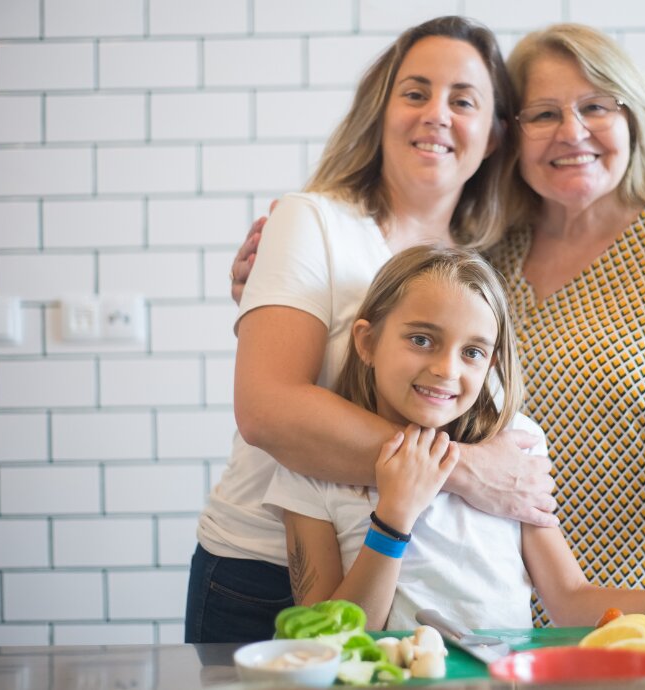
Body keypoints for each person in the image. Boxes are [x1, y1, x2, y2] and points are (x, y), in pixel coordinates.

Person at [230, 22, 645, 635]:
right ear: (513, 138)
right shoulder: (490, 253)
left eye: (598, 105)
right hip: (506, 621)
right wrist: (272, 284)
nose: (571, 130)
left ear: (632, 118)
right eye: (543, 114)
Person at [185, 16, 556, 644]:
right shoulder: (312, 222)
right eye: (414, 93)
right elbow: (267, 411)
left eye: (462, 101)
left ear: (494, 137)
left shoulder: (481, 267)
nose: (436, 113)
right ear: (380, 111)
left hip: (407, 591)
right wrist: (464, 470)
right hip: (264, 571)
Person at [264, 246, 645, 630]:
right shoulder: (310, 467)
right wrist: (393, 520)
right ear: (367, 342)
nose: (446, 369)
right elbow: (325, 638)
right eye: (421, 340)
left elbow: (571, 601)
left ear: (491, 364)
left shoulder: (517, 449)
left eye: (472, 352)